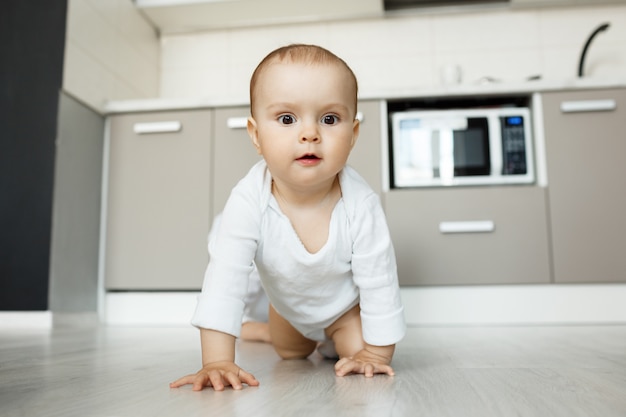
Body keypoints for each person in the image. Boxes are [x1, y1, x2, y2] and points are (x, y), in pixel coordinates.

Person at [170, 44, 405, 392]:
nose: (309, 133)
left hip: (344, 310)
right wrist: (217, 361)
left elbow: (379, 281)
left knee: (357, 354)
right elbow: (224, 280)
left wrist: (377, 353)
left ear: (353, 135)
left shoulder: (361, 203)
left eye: (329, 119)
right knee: (290, 354)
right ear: (256, 135)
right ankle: (264, 330)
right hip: (288, 312)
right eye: (286, 119)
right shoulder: (249, 199)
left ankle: (335, 340)